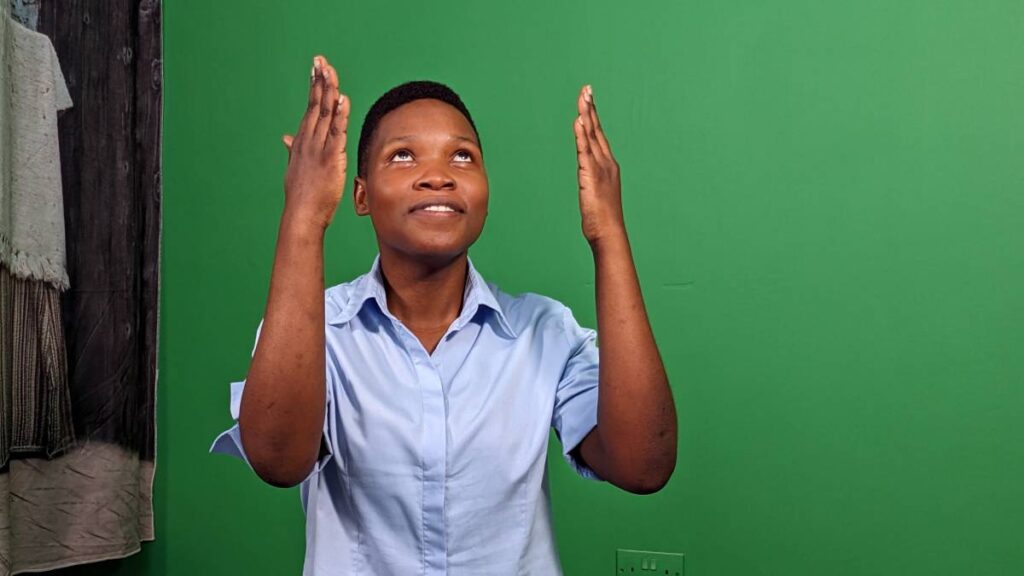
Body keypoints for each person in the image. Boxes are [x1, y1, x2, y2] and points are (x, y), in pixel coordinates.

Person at [211, 54, 677, 576]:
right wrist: (303, 216)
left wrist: (608, 235)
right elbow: (277, 460)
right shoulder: (315, 330)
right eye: (403, 156)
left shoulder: (544, 331)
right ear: (359, 196)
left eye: (462, 157)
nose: (438, 176)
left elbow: (644, 465)